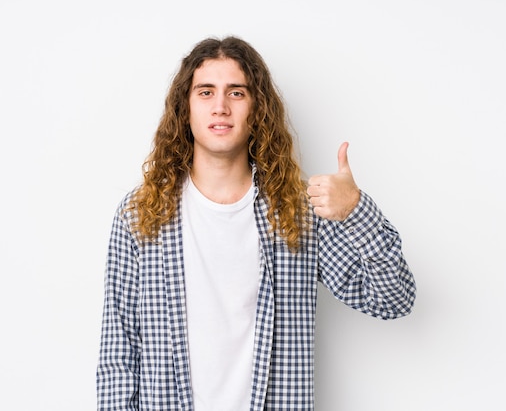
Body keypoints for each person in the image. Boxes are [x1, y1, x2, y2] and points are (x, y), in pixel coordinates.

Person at [97, 35, 416, 411]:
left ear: (257, 108)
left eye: (236, 93)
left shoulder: (298, 211)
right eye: (205, 92)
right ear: (185, 108)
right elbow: (118, 353)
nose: (220, 107)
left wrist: (356, 211)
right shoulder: (140, 215)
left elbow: (393, 300)